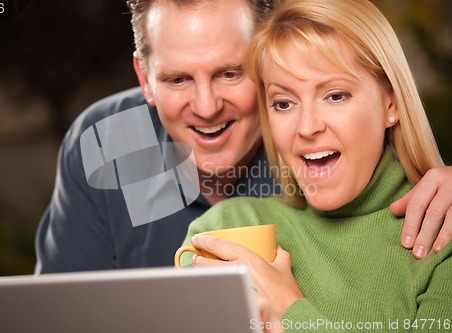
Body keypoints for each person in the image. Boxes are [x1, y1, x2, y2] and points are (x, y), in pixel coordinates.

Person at [35, 0, 452, 274]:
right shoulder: (107, 143)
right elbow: (61, 311)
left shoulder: (313, 146)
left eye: (230, 73)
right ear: (145, 79)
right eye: (178, 79)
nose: (206, 105)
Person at [180, 0, 451, 329]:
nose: (307, 127)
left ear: (391, 102)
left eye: (335, 95)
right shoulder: (229, 229)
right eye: (283, 102)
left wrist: (290, 309)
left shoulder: (441, 236)